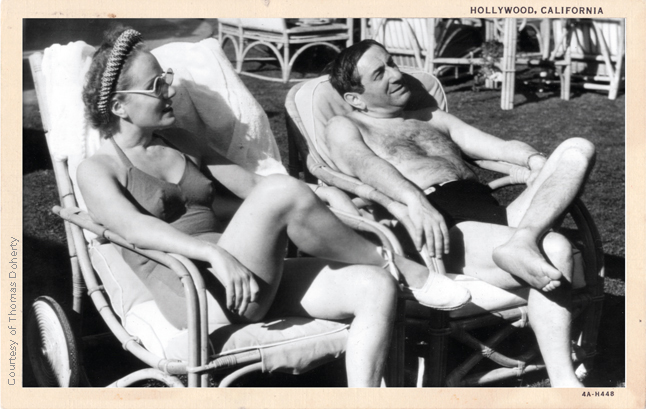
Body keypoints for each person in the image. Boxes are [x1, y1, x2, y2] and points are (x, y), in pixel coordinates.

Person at [77, 28, 471, 387]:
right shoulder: (97, 170)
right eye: (156, 85)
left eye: (168, 79)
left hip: (245, 275)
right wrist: (212, 253)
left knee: (374, 287)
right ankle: (401, 265)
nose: (170, 90)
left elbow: (254, 186)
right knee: (283, 194)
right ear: (119, 107)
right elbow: (133, 229)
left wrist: (324, 191)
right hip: (196, 293)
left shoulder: (180, 139)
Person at [322, 40, 596, 387]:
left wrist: (534, 162)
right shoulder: (347, 125)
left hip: (494, 213)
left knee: (577, 148)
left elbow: (497, 147)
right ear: (356, 98)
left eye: (392, 63)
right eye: (380, 73)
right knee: (555, 247)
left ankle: (522, 240)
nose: (396, 73)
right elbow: (364, 165)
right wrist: (415, 200)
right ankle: (564, 383)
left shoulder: (431, 117)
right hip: (444, 225)